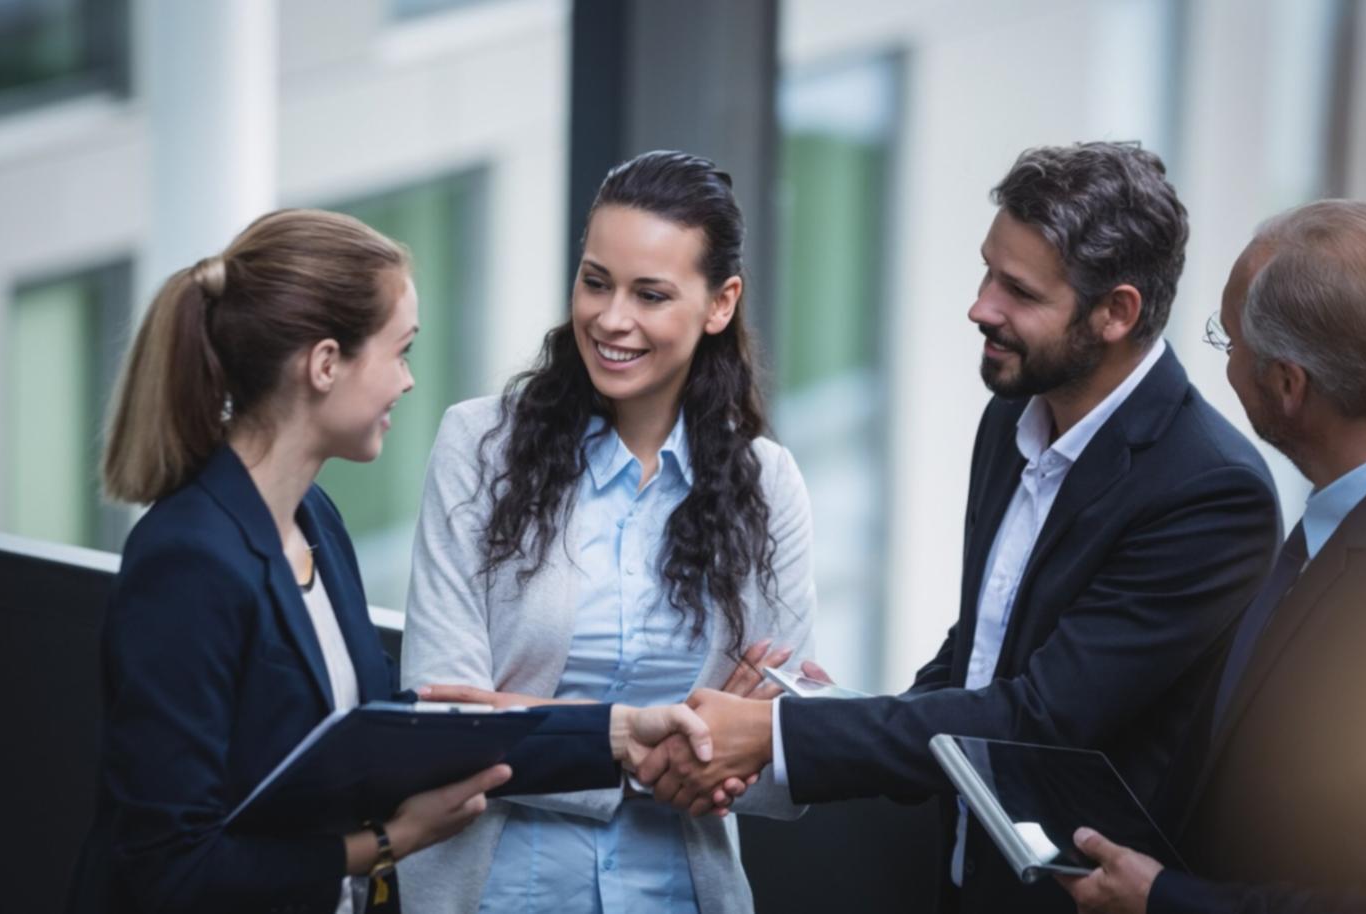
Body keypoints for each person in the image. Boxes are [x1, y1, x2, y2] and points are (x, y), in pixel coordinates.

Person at [637, 141, 1282, 913]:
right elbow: (982, 650)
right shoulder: (1013, 416)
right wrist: (834, 712)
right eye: (988, 272)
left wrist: (778, 737)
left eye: (1019, 291)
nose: (981, 306)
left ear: (1116, 312)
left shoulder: (1210, 491)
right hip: (964, 880)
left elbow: (1037, 721)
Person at [67, 209, 712, 914]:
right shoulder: (188, 560)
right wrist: (387, 843)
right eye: (400, 352)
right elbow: (167, 867)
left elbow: (387, 734)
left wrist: (618, 732)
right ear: (324, 365)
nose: (406, 382)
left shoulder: (313, 518)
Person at [398, 150, 816, 914]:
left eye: (650, 294)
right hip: (497, 895)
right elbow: (446, 728)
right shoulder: (478, 448)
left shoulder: (768, 484)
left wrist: (529, 722)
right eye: (596, 282)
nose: (611, 319)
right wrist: (655, 743)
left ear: (720, 303)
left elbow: (781, 766)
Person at [1060, 200, 1366, 914]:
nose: (1225, 363)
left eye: (1228, 342)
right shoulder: (1347, 522)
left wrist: (1164, 898)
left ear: (1287, 385)